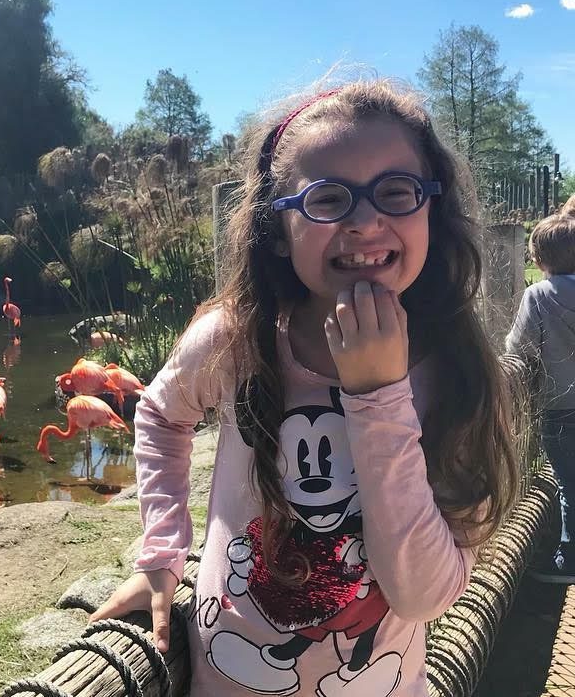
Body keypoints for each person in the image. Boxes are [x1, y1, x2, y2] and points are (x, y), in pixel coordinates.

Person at [90, 80, 518, 697]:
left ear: (433, 208)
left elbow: (422, 596)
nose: (367, 222)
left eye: (396, 192)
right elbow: (160, 413)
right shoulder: (234, 340)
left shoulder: (459, 375)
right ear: (276, 226)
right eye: (327, 199)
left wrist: (379, 394)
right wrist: (161, 554)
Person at [506, 201, 575, 583]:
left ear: (538, 256)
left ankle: (570, 561)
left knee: (570, 485)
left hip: (561, 408)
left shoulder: (540, 296)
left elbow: (519, 348)